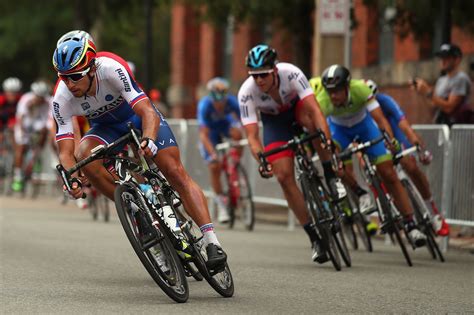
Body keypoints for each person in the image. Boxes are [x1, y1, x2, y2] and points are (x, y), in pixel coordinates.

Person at [51, 31, 227, 269]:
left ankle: (211, 241)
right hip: (105, 128)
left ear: (92, 68)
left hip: (136, 116)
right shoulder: (61, 96)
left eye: (74, 76)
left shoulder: (111, 68)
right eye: (63, 77)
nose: (69, 84)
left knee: (174, 171)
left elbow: (146, 111)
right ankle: (134, 210)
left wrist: (149, 139)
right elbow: (65, 149)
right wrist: (71, 177)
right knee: (83, 155)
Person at [238, 44, 347, 263]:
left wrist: (325, 137)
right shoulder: (246, 93)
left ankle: (331, 176)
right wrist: (262, 159)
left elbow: (315, 109)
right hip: (274, 123)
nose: (259, 80)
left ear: (275, 70)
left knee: (312, 124)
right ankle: (314, 238)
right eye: (255, 75)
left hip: (298, 111)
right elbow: (252, 136)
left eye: (264, 75)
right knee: (284, 177)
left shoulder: (292, 73)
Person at [315, 64, 426, 247]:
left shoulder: (360, 89)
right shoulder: (323, 100)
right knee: (333, 162)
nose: (333, 95)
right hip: (339, 130)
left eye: (337, 91)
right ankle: (360, 193)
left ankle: (410, 224)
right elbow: (323, 129)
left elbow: (380, 120)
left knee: (389, 174)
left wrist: (390, 141)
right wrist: (329, 149)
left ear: (347, 87)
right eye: (330, 91)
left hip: (365, 127)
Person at [365, 79, 450, 236]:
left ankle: (433, 211)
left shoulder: (386, 101)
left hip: (394, 136)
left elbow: (404, 125)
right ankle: (394, 211)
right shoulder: (358, 111)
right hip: (375, 140)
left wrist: (417, 146)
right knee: (377, 171)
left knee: (410, 165)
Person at [197, 77, 242, 223]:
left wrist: (240, 141)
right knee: (214, 166)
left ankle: (234, 164)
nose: (220, 103)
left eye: (223, 93)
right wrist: (213, 154)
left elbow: (243, 122)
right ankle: (222, 204)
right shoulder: (204, 105)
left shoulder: (231, 101)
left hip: (224, 125)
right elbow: (203, 135)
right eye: (217, 94)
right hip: (210, 133)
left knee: (238, 133)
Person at [413, 43, 472, 126]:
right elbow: (433, 107)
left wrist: (428, 92)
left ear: (457, 59)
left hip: (457, 128)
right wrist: (423, 92)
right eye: (441, 58)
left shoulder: (461, 78)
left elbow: (449, 108)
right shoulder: (441, 80)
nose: (443, 61)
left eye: (447, 58)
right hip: (442, 125)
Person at [12, 81, 52, 192]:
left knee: (45, 131)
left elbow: (49, 120)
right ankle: (18, 175)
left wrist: (45, 131)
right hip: (26, 122)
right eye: (38, 97)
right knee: (20, 147)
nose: (40, 99)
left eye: (42, 97)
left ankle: (37, 153)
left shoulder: (49, 101)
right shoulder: (26, 99)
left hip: (38, 123)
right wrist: (23, 134)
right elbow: (20, 118)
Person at [0, 77, 23, 152]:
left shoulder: (21, 99)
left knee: (15, 135)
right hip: (2, 119)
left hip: (13, 119)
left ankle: (15, 153)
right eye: (10, 92)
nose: (12, 95)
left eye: (15, 92)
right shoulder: (1, 99)